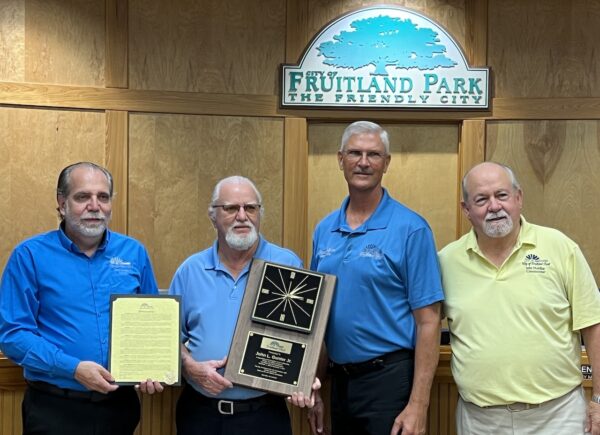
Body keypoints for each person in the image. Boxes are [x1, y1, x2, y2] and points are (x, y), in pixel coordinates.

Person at [0, 162, 162, 435]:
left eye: (103, 197)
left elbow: (153, 324)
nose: (94, 205)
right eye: (82, 197)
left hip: (119, 407)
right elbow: (13, 335)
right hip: (54, 408)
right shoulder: (29, 256)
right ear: (62, 203)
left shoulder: (134, 252)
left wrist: (153, 367)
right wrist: (73, 368)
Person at [438, 161, 600, 434]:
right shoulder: (445, 261)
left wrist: (598, 397)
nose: (494, 206)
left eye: (501, 195)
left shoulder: (560, 247)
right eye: (481, 199)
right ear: (466, 210)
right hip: (480, 421)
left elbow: (594, 325)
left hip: (558, 417)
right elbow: (424, 327)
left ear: (518, 198)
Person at [308, 121, 444, 435]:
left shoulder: (411, 229)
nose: (364, 162)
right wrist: (313, 384)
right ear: (340, 159)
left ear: (386, 163)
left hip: (390, 382)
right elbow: (321, 318)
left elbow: (429, 321)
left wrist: (418, 405)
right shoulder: (324, 229)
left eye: (374, 154)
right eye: (355, 153)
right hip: (340, 382)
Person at [169, 175, 318, 435]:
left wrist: (305, 376)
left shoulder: (287, 265)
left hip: (265, 415)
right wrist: (190, 366)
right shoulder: (190, 271)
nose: (242, 216)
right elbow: (168, 337)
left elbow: (307, 337)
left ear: (260, 214)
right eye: (230, 208)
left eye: (250, 207)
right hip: (201, 414)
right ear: (213, 216)